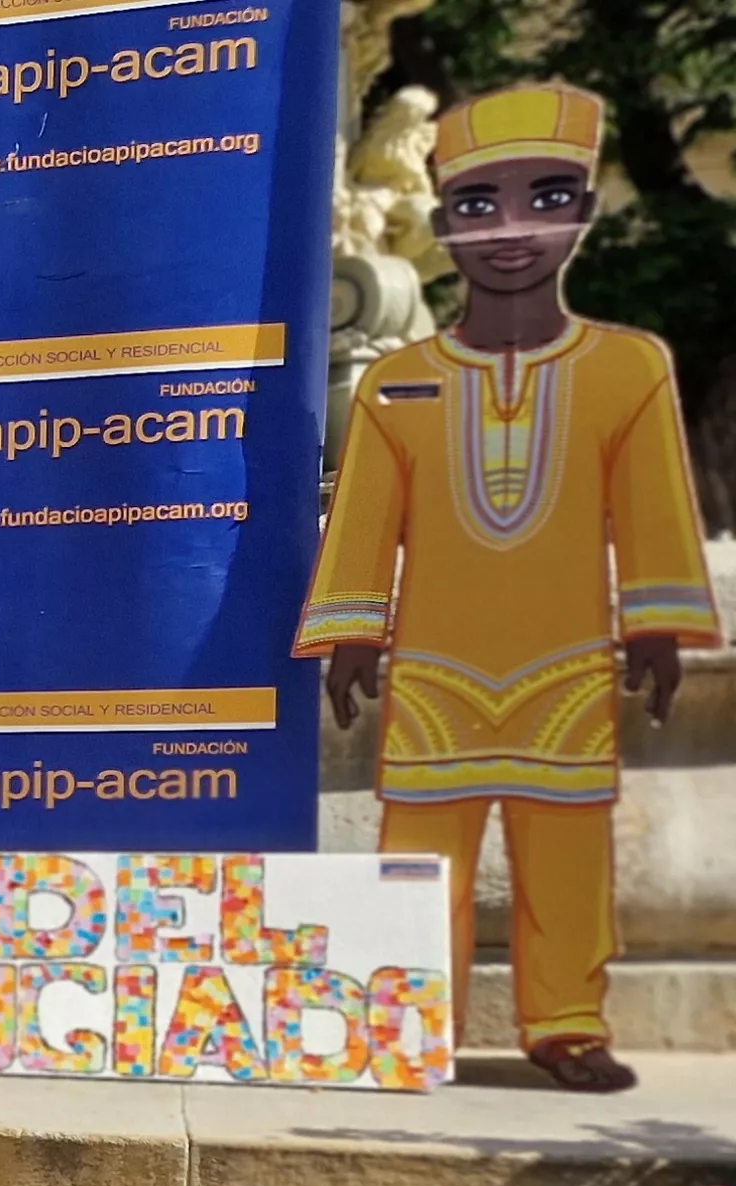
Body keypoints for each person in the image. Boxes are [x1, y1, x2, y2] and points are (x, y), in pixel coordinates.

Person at [303, 81, 716, 1095]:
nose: (513, 228)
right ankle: (412, 1023)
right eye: (480, 204)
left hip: (566, 666)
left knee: (568, 847)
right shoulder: (398, 380)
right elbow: (363, 524)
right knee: (420, 853)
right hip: (435, 673)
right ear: (445, 224)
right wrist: (352, 632)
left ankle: (565, 1023)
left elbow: (654, 510)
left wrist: (656, 626)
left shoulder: (627, 370)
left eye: (548, 197)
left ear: (584, 212)